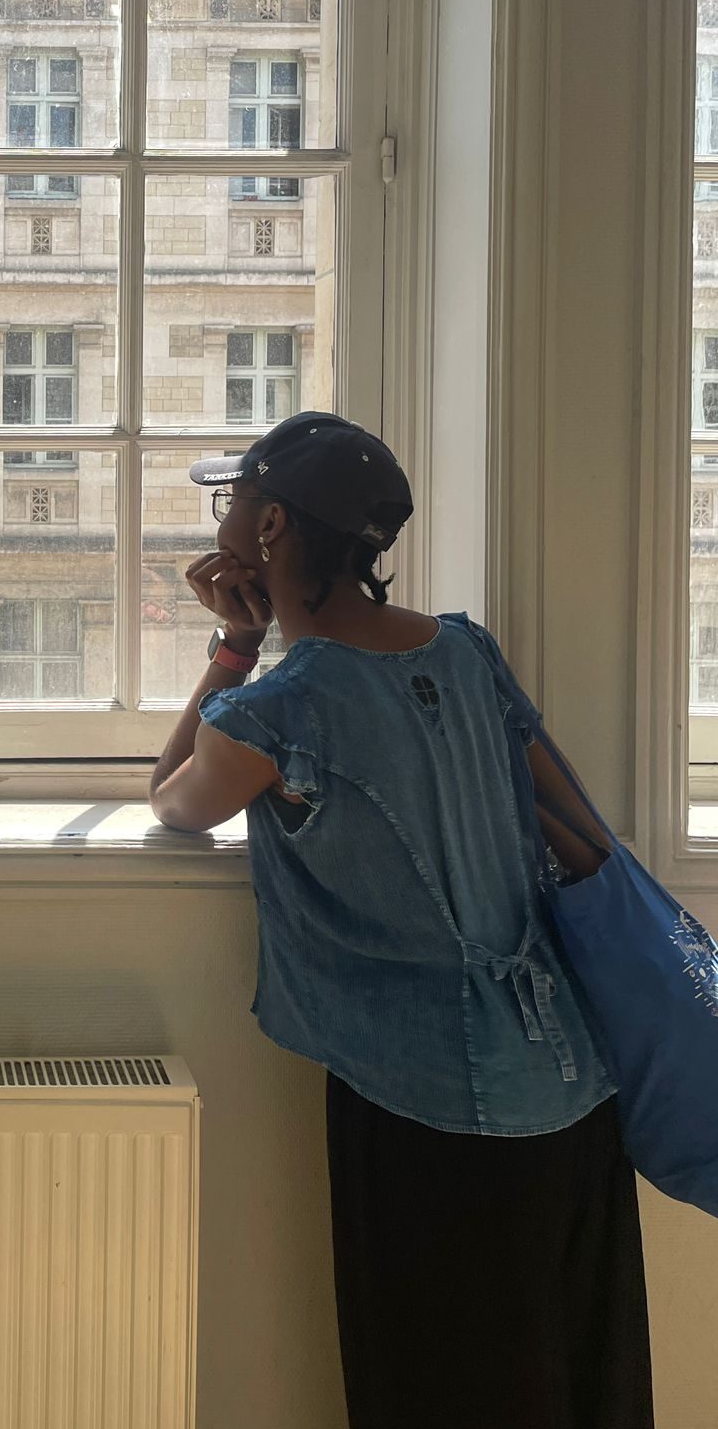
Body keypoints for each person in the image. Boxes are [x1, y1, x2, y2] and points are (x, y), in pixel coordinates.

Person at [150, 411, 654, 1429]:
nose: (224, 517)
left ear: (274, 524)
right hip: (568, 1080)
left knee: (433, 1386)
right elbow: (571, 814)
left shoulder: (279, 710)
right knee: (579, 1380)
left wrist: (233, 646)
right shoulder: (466, 652)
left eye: (234, 500)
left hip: (423, 1106)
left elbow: (174, 799)